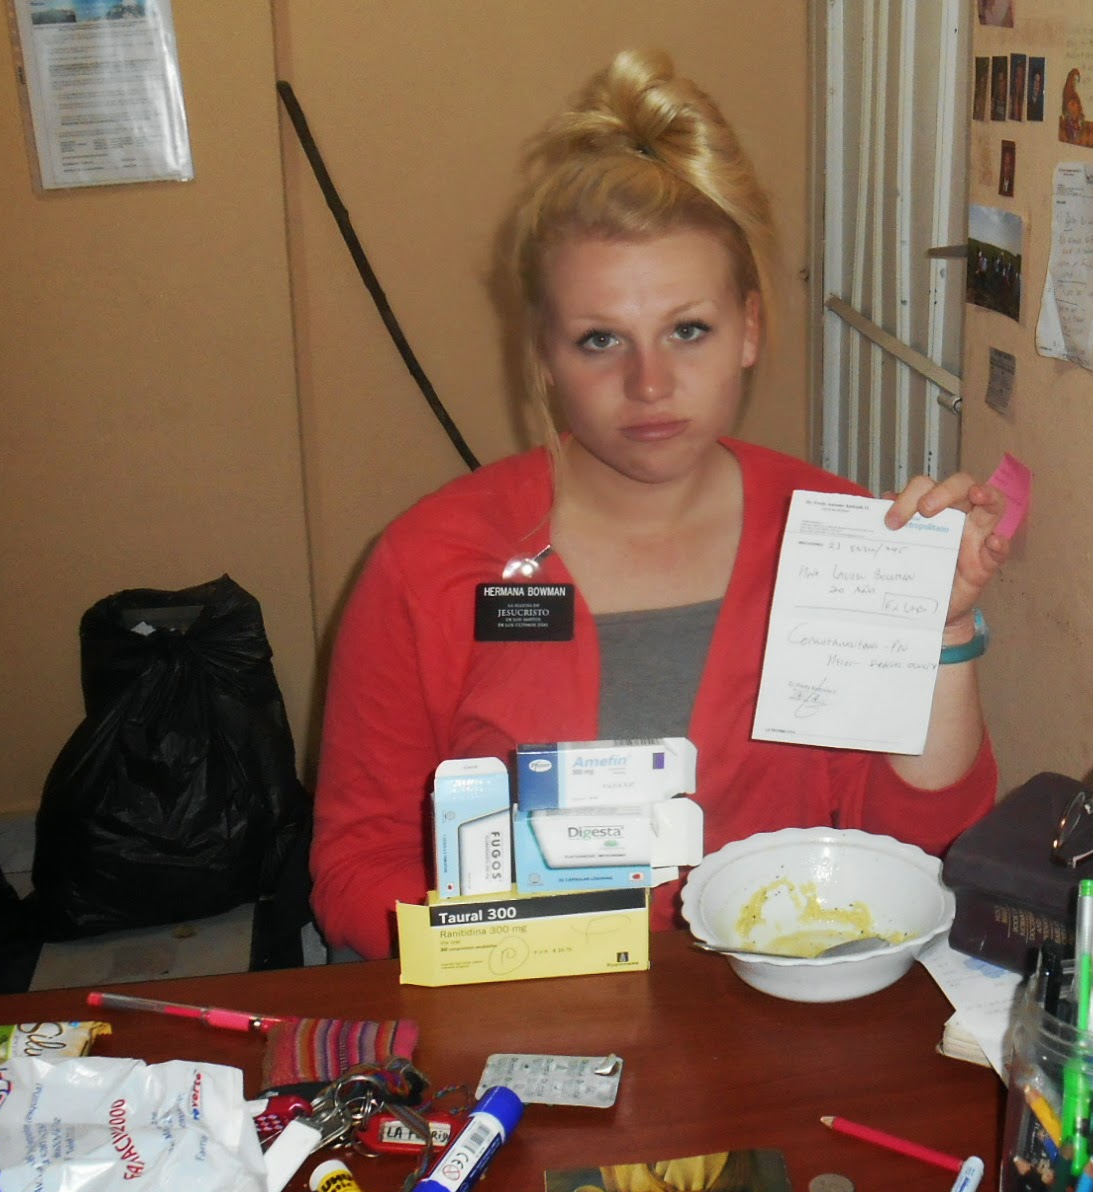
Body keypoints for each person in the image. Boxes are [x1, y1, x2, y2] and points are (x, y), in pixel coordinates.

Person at [310, 49, 1008, 960]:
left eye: (688, 330)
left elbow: (923, 848)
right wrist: (548, 955)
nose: (649, 384)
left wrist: (941, 632)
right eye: (600, 340)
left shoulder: (840, 538)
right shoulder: (428, 564)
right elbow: (357, 871)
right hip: (520, 1014)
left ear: (749, 328)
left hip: (774, 1010)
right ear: (544, 354)